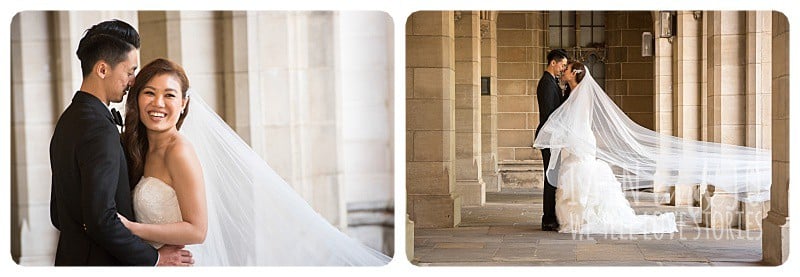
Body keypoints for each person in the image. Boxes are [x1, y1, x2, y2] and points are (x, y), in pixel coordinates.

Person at [119, 58, 391, 266]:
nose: (158, 103)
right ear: (137, 97)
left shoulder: (178, 152)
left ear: (183, 103)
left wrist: (132, 230)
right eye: (149, 93)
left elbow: (197, 229)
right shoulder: (141, 148)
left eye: (169, 95)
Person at [534, 61, 770, 234]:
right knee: (580, 175)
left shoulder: (578, 95)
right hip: (582, 141)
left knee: (581, 176)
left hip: (582, 141)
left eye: (566, 69)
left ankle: (584, 218)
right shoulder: (575, 92)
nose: (563, 71)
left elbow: (572, 122)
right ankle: (580, 217)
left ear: (574, 74)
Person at [49, 20, 192, 266]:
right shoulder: (98, 129)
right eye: (129, 71)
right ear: (103, 69)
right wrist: (155, 258)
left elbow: (57, 215)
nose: (133, 81)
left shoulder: (69, 119)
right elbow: (102, 220)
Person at [535, 49, 569, 231]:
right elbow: (549, 114)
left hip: (553, 137)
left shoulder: (553, 82)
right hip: (549, 137)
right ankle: (548, 218)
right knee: (551, 177)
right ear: (553, 63)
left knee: (553, 176)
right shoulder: (547, 83)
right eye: (562, 65)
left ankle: (551, 216)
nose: (563, 69)